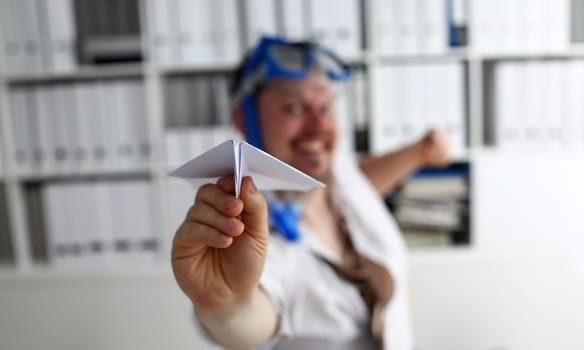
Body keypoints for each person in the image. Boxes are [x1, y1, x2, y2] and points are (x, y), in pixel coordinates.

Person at [171, 36, 452, 349]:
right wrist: (226, 305)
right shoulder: (247, 234)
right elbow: (249, 320)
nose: (318, 125)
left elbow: (361, 182)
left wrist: (417, 153)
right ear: (245, 119)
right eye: (294, 108)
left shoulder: (337, 175)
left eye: (327, 107)